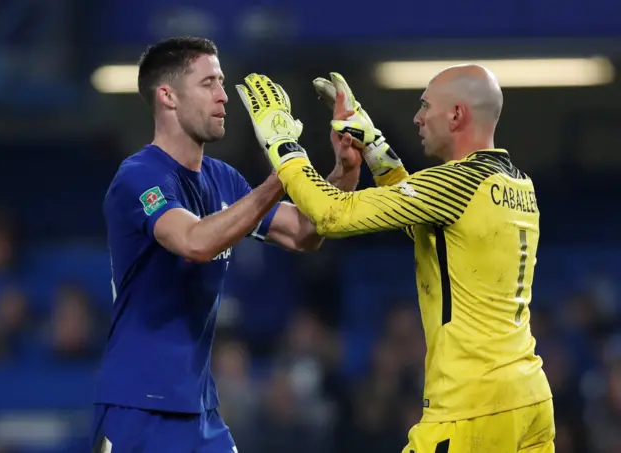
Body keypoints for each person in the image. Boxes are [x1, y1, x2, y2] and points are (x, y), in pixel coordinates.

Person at [237, 67, 555, 452]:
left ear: (456, 115)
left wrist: (281, 141)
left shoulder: (458, 183)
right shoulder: (517, 182)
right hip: (530, 399)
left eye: (425, 106)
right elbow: (424, 223)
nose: (417, 118)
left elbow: (332, 215)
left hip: (471, 407)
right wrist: (372, 145)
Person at [89, 37, 361, 453]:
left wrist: (344, 167)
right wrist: (282, 172)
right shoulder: (138, 176)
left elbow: (306, 232)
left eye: (222, 83)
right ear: (168, 96)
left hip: (200, 410)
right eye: (208, 84)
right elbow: (194, 242)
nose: (223, 97)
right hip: (138, 409)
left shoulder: (223, 178)